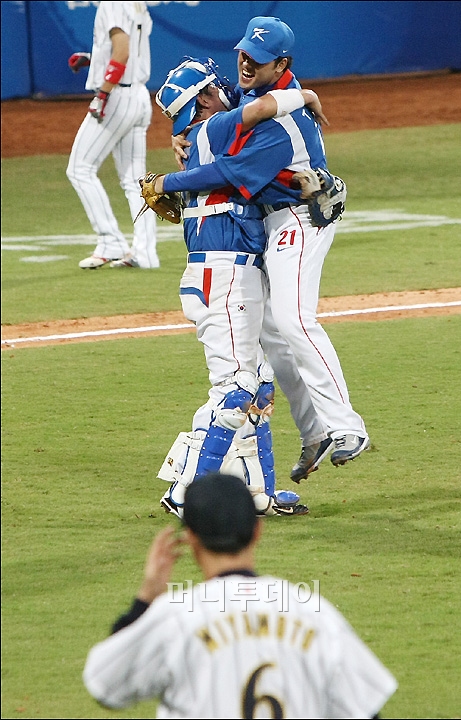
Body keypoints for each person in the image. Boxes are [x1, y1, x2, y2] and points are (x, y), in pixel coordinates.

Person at [165, 17, 370, 481]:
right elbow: (227, 114)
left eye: (256, 60)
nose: (244, 63)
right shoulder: (258, 93)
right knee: (274, 337)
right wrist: (183, 135)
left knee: (296, 320)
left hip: (301, 218)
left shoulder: (280, 122)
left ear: (281, 64)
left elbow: (226, 172)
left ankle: (347, 427)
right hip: (276, 220)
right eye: (242, 54)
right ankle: (315, 430)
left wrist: (168, 180)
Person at [151, 57, 326, 519]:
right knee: (237, 387)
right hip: (224, 272)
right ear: (204, 99)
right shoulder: (215, 131)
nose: (222, 88)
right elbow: (260, 108)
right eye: (211, 87)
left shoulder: (196, 138)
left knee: (260, 383)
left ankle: (256, 492)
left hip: (232, 271)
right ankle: (186, 490)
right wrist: (306, 96)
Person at [83, 472, 398, 718]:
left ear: (190, 538)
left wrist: (146, 598)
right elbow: (366, 710)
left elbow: (106, 683)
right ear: (258, 532)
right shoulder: (314, 612)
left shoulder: (176, 617)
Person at [66, 1, 159, 270]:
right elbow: (129, 51)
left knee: (80, 169)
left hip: (118, 96)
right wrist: (93, 60)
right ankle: (145, 253)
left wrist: (103, 93)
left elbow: (122, 52)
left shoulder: (113, 3)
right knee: (135, 181)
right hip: (139, 95)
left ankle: (110, 242)